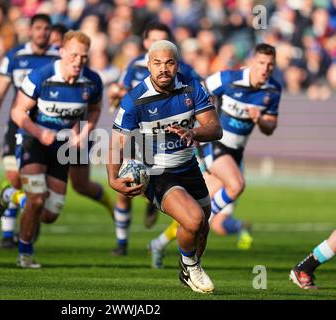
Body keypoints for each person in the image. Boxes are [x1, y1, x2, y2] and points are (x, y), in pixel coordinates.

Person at [148, 43, 282, 268]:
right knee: (236, 185)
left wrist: (260, 119)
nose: (265, 69)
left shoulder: (273, 90)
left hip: (235, 154)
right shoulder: (228, 79)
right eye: (261, 63)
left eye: (270, 65)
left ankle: (159, 244)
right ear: (251, 62)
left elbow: (270, 128)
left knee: (198, 213)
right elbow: (199, 91)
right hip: (215, 145)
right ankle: (192, 249)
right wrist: (200, 120)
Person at [108, 40, 222, 294]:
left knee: (203, 225)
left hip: (188, 166)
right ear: (148, 66)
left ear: (177, 65)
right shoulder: (135, 100)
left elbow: (215, 129)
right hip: (156, 171)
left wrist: (194, 132)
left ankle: (189, 266)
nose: (163, 69)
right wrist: (112, 179)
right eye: (157, 63)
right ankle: (190, 265)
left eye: (169, 63)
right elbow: (116, 142)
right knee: (193, 220)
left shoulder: (192, 88)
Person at [0, 31, 103, 268]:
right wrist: (38, 132)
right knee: (36, 199)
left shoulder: (92, 81)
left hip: (62, 147)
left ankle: (10, 196)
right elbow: (17, 112)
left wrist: (82, 132)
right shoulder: (41, 76)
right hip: (33, 142)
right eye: (73, 55)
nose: (78, 61)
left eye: (83, 57)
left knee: (49, 214)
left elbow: (95, 109)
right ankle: (24, 254)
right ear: (62, 53)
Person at [107, 22, 201, 256]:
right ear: (146, 44)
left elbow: (201, 93)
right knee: (125, 182)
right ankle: (121, 242)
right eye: (153, 39)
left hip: (171, 139)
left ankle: (154, 199)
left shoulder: (184, 71)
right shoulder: (134, 66)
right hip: (138, 134)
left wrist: (196, 125)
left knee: (197, 213)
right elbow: (122, 91)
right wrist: (115, 94)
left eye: (163, 38)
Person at [0, 14, 58, 249]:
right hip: (18, 125)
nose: (42, 32)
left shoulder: (58, 58)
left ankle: (27, 216)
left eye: (46, 28)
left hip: (47, 128)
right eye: (38, 28)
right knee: (14, 178)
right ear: (30, 31)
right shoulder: (14, 57)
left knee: (36, 186)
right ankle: (6, 235)